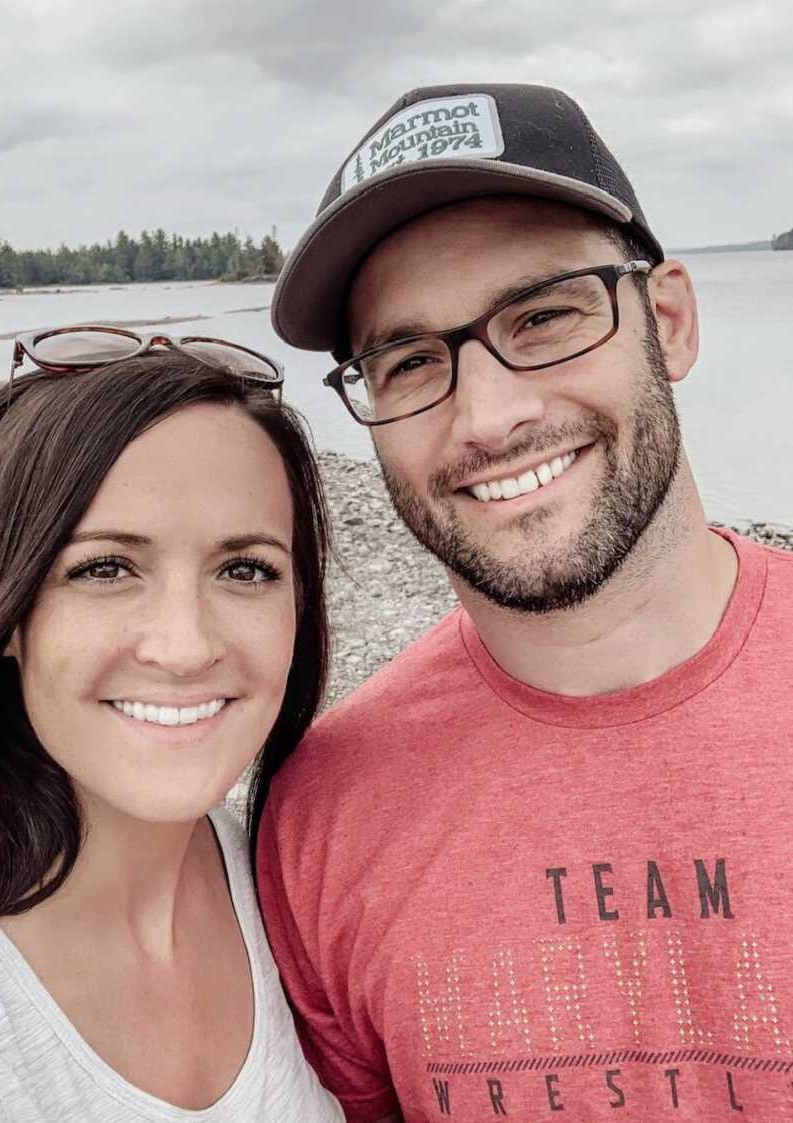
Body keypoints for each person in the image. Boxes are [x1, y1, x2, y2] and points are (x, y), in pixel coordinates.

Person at [252, 84, 793, 1120]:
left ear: (668, 322)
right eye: (409, 361)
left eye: (544, 316)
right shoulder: (324, 816)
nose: (489, 415)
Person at [0, 329, 344, 1121]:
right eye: (105, 568)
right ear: (5, 612)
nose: (186, 647)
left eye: (245, 569)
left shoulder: (281, 875)